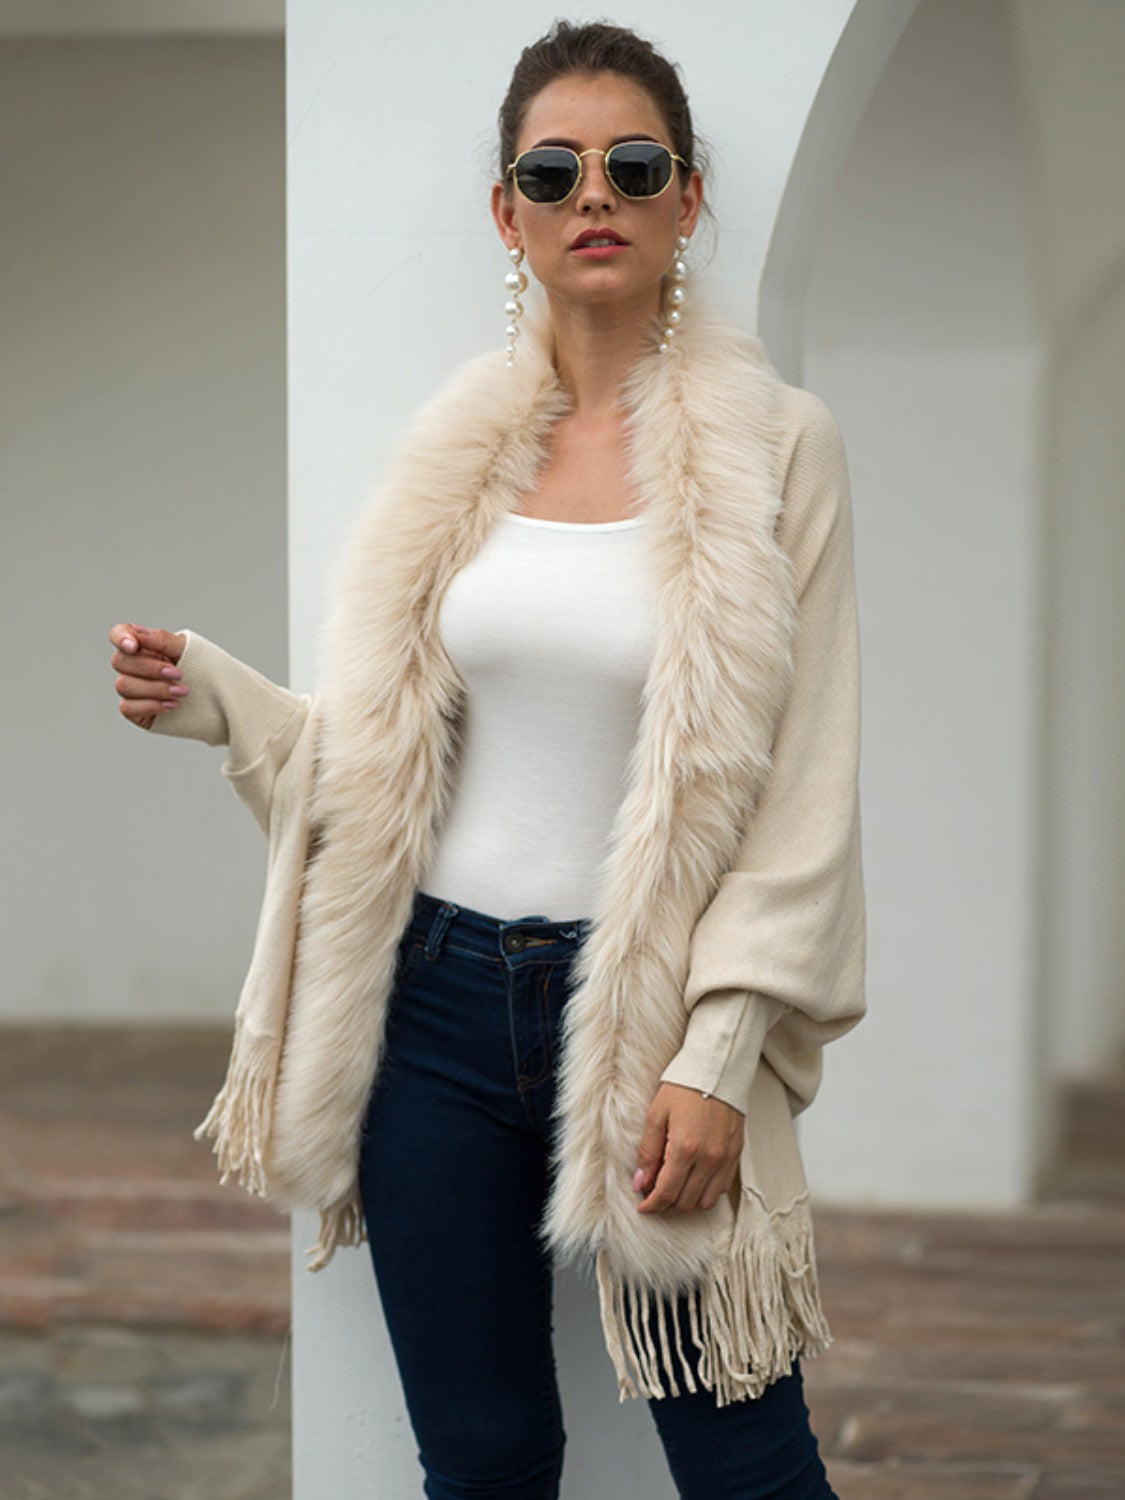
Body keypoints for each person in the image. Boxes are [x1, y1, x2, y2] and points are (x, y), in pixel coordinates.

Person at [109, 20, 864, 1499]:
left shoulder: (780, 446)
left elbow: (805, 787)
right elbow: (390, 762)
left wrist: (718, 1058)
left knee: (747, 1463)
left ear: (688, 198)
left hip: (657, 1009)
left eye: (632, 165)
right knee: (483, 1461)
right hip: (433, 1008)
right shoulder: (456, 455)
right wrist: (221, 701)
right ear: (508, 213)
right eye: (553, 171)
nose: (596, 195)